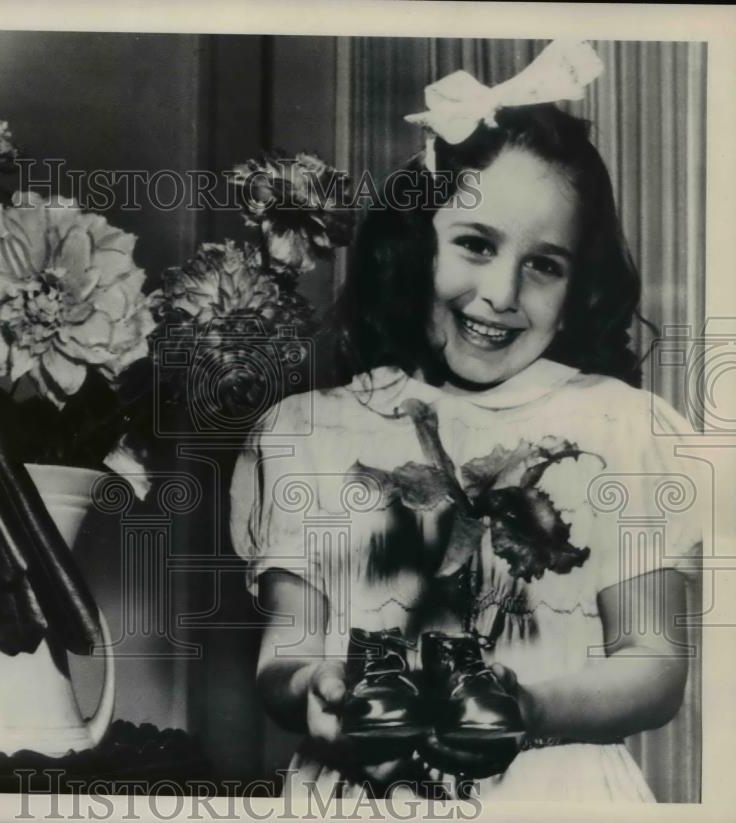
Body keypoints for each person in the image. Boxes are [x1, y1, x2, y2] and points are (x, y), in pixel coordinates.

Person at [229, 41, 702, 802]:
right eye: (476, 245)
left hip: (555, 794)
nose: (501, 293)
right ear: (415, 245)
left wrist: (529, 704)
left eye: (544, 263)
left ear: (579, 283)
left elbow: (654, 665)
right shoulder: (310, 430)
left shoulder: (620, 424)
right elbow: (284, 655)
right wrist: (311, 685)